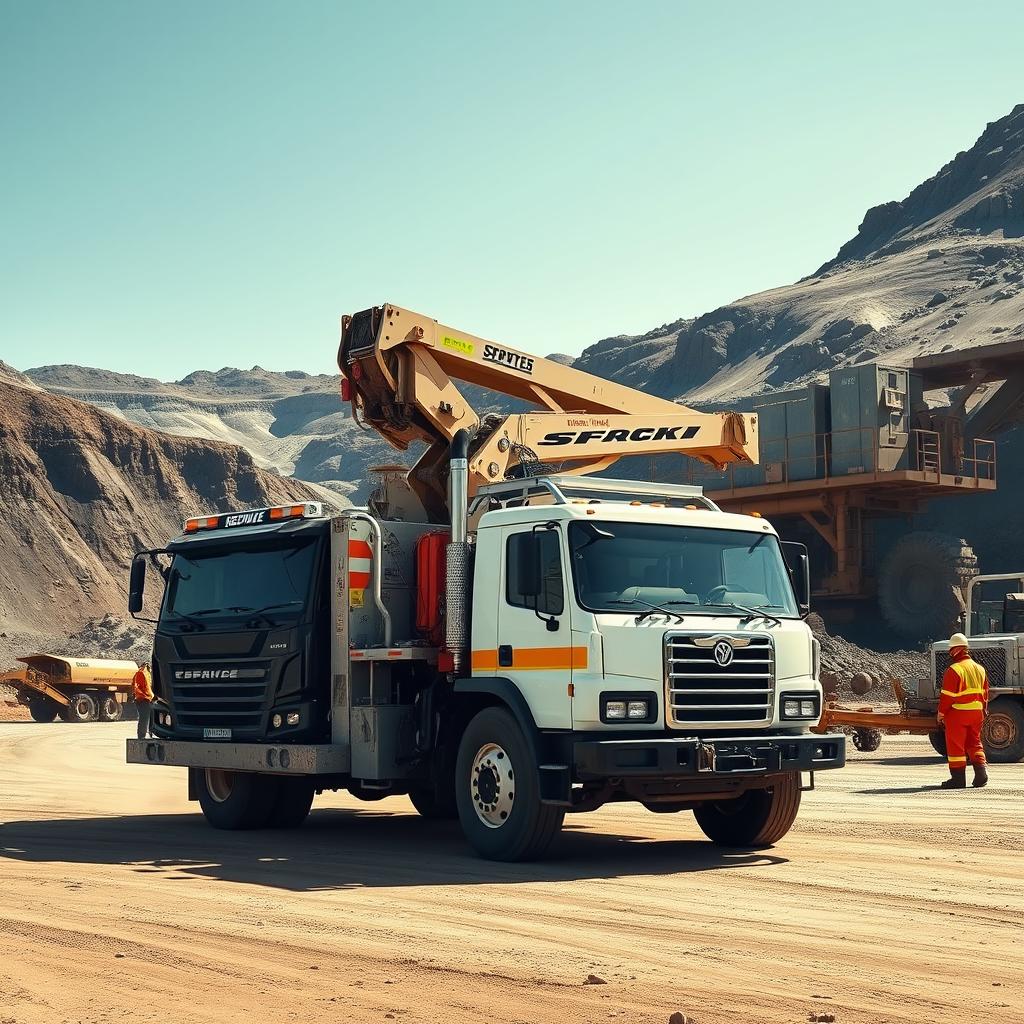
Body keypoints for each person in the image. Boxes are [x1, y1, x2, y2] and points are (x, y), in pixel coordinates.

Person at [937, 633, 989, 789]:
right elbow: (986, 693)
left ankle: (958, 779)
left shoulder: (954, 670)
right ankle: (981, 775)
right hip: (977, 712)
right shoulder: (980, 669)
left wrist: (941, 714)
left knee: (956, 745)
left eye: (950, 650)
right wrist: (984, 711)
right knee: (974, 742)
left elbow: (947, 697)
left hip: (958, 713)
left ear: (954, 650)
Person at [132, 661, 154, 740]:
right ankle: (142, 736)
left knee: (147, 718)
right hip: (143, 699)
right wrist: (146, 696)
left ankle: (146, 735)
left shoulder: (144, 673)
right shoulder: (142, 673)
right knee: (144, 719)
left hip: (145, 699)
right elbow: (138, 687)